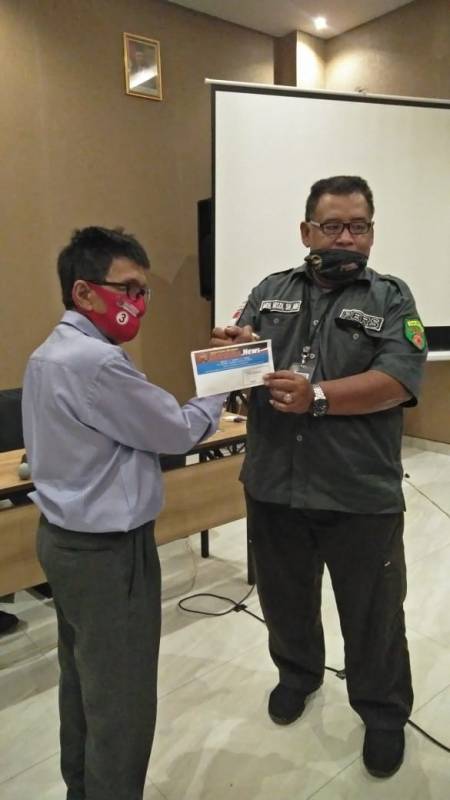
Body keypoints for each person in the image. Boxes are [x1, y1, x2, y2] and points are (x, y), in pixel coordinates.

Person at [211, 176, 427, 778]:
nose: (346, 238)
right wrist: (231, 349)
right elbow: (238, 362)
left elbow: (400, 380)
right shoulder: (270, 291)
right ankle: (298, 675)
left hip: (358, 490)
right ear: (307, 232)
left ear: (372, 233)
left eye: (359, 226)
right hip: (275, 483)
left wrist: (319, 398)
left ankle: (382, 713)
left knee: (373, 613)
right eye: (333, 226)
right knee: (284, 600)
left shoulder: (391, 297)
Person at [21, 226, 226, 800]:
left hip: (62, 540)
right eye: (127, 289)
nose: (138, 303)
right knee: (122, 700)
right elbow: (177, 431)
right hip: (108, 555)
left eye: (143, 291)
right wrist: (221, 380)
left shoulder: (49, 353)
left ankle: (82, 788)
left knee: (83, 680)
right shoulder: (97, 363)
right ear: (84, 292)